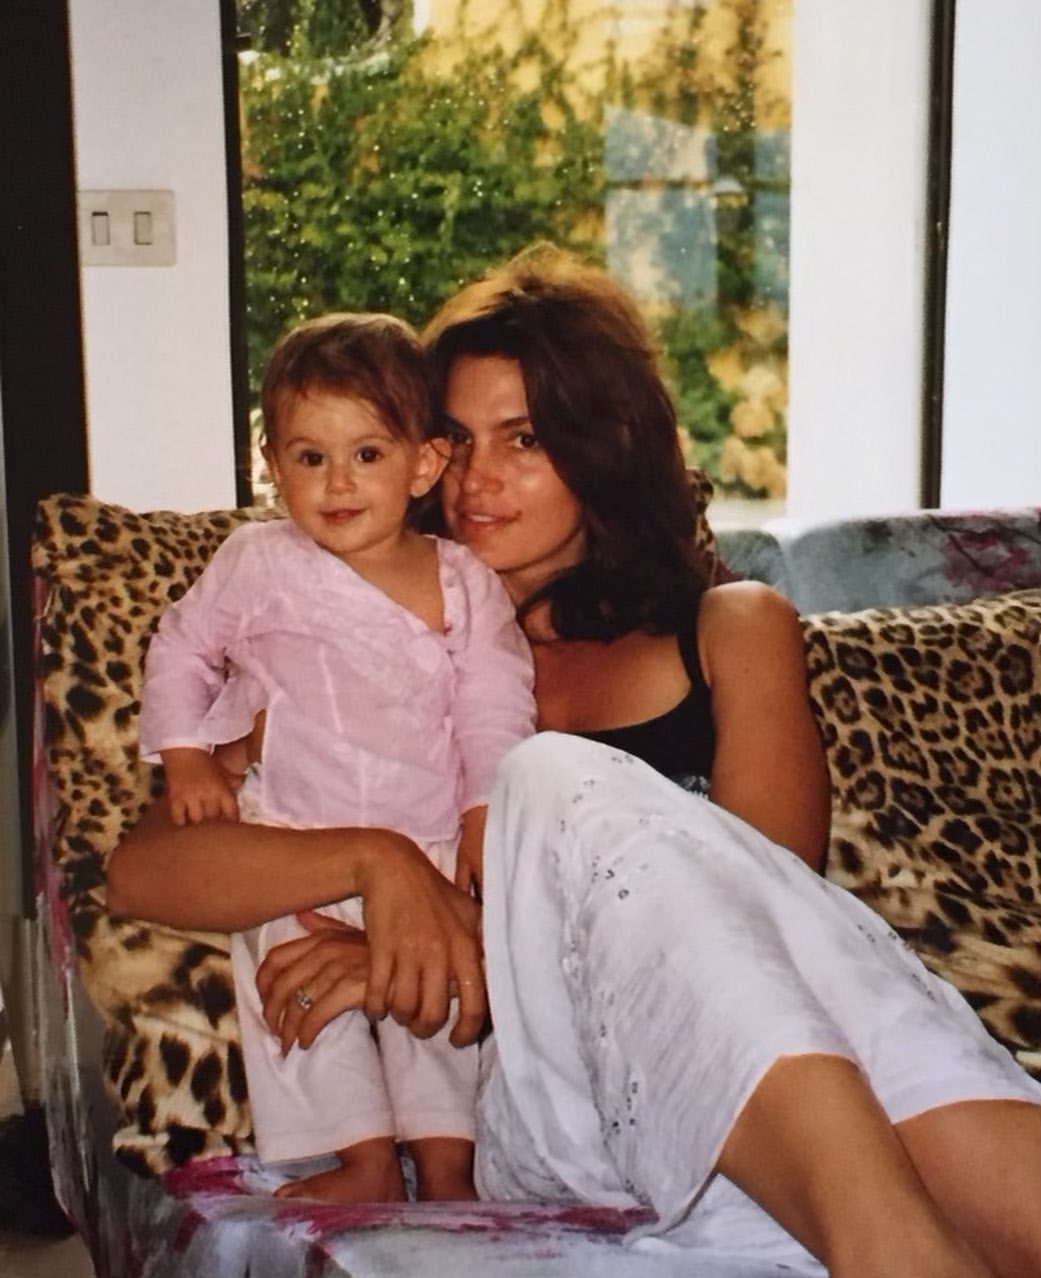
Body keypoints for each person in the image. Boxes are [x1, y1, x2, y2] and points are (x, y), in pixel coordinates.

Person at [108, 248, 1041, 1278]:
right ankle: (893, 1253)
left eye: (527, 440)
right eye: (455, 441)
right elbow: (147, 871)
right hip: (556, 1108)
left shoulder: (728, 629)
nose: (476, 479)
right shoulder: (349, 648)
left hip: (764, 1084)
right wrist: (380, 863)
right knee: (550, 775)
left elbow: (765, 909)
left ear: (605, 448)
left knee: (831, 965)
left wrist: (441, 940)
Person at [135, 311, 535, 1203]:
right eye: (308, 457)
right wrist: (186, 754)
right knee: (291, 997)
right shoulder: (258, 561)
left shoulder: (458, 579)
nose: (336, 482)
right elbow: (182, 648)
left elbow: (492, 699)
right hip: (294, 839)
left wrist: (483, 809)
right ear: (272, 465)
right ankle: (356, 1158)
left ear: (424, 464)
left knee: (434, 1003)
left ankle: (445, 1164)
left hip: (427, 841)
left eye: (367, 454)